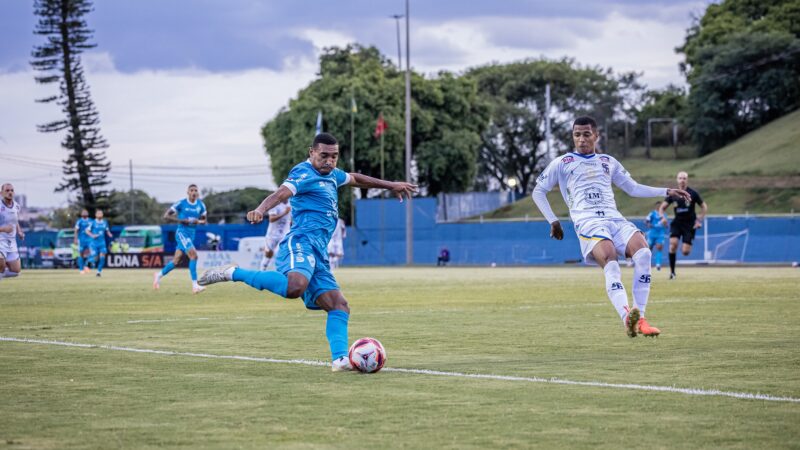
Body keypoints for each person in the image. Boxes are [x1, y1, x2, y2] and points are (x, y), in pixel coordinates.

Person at [198, 132, 416, 371]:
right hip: (300, 242)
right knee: (295, 287)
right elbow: (281, 193)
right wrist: (260, 209)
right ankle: (233, 273)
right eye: (324, 155)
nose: (330, 161)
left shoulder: (333, 174)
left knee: (338, 305)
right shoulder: (303, 173)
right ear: (311, 152)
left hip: (319, 252)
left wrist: (391, 185)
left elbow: (356, 178)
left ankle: (340, 359)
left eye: (334, 156)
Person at [532, 116, 690, 338]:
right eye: (577, 134)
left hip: (614, 219)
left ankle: (640, 319)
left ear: (596, 136)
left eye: (587, 134)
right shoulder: (562, 163)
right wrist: (553, 221)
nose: (581, 139)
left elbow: (633, 188)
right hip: (588, 221)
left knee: (644, 252)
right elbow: (538, 191)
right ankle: (627, 318)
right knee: (610, 261)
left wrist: (667, 191)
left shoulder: (608, 161)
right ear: (573, 137)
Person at [153, 184, 207, 293]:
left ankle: (158, 276)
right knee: (194, 256)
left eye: (195, 190)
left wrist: (198, 221)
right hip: (182, 233)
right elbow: (166, 216)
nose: (194, 192)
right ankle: (195, 286)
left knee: (176, 261)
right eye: (191, 190)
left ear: (198, 193)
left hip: (191, 235)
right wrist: (181, 220)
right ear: (187, 192)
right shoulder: (181, 203)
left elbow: (204, 221)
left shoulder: (201, 205)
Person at [659, 171, 707, 280]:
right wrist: (662, 217)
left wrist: (699, 220)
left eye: (684, 178)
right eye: (680, 178)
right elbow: (662, 208)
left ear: (687, 180)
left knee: (685, 252)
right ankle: (672, 273)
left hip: (690, 224)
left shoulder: (693, 193)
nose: (682, 180)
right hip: (677, 223)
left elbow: (704, 206)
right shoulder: (673, 193)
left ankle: (685, 242)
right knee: (673, 244)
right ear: (677, 180)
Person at [0, 183, 25, 281]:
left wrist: (19, 231)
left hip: (11, 242)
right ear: (1, 193)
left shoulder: (16, 206)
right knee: (1, 264)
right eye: (7, 190)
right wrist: (3, 229)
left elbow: (15, 221)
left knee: (16, 271)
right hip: (0, 240)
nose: (10, 192)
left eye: (12, 190)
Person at [260, 199, 291, 270]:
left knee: (280, 252)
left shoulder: (291, 204)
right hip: (272, 234)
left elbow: (291, 219)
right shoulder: (275, 204)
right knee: (268, 253)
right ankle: (262, 269)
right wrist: (284, 212)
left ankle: (279, 271)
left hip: (284, 233)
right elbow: (271, 219)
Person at [86, 209, 113, 277]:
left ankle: (99, 272)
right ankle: (88, 263)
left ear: (102, 215)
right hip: (94, 243)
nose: (99, 214)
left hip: (102, 243)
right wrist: (92, 235)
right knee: (95, 257)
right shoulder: (92, 222)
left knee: (102, 258)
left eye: (101, 213)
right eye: (98, 213)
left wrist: (109, 234)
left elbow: (107, 230)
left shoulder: (104, 222)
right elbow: (87, 231)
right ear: (96, 215)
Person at [644, 201, 667, 271]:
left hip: (660, 234)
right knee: (648, 249)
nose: (659, 207)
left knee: (659, 248)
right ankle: (646, 264)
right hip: (652, 234)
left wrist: (665, 223)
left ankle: (658, 264)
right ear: (656, 206)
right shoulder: (652, 213)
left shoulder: (663, 214)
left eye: (660, 206)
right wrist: (649, 225)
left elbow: (666, 224)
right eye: (658, 206)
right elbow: (646, 221)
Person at [73, 209, 93, 273]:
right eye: (83, 212)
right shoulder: (79, 221)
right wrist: (75, 239)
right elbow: (76, 230)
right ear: (81, 214)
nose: (84, 213)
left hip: (89, 239)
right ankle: (81, 269)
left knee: (92, 252)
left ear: (87, 214)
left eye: (86, 212)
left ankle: (86, 265)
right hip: (81, 240)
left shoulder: (91, 221)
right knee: (81, 254)